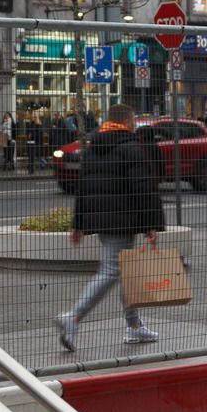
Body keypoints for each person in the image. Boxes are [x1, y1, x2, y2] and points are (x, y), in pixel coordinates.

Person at [54, 104, 164, 352]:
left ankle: (134, 327)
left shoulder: (93, 148)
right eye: (134, 119)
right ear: (126, 120)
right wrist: (151, 225)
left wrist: (79, 224)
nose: (135, 124)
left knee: (125, 271)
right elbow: (143, 188)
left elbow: (83, 186)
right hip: (123, 220)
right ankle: (73, 318)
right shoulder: (130, 147)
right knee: (112, 271)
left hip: (102, 220)